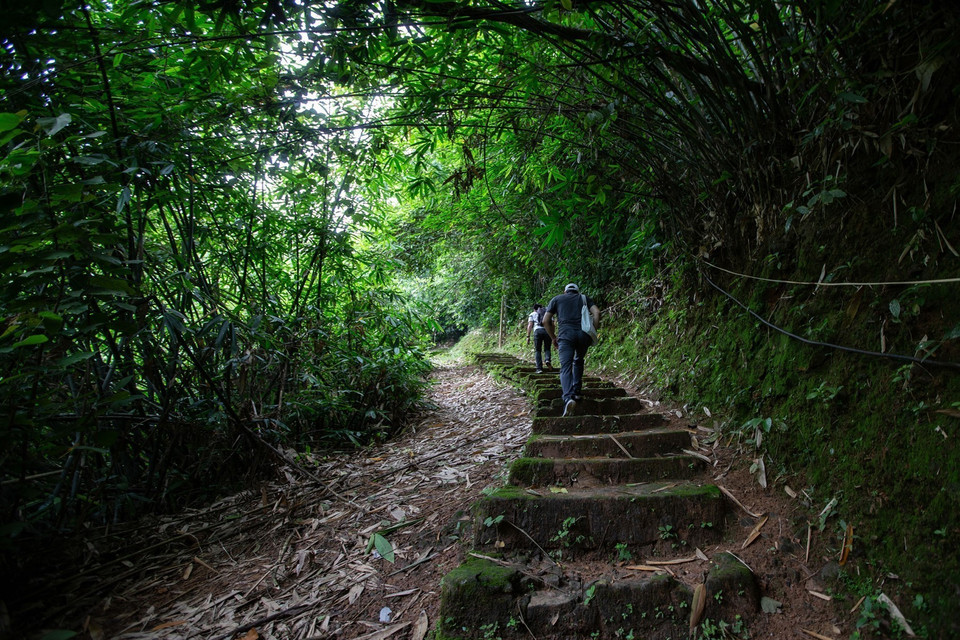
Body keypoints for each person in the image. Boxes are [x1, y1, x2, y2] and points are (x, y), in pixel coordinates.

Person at [543, 283, 600, 416]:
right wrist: (593, 331)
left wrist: (553, 337)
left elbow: (546, 321)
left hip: (565, 336)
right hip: (583, 335)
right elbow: (597, 312)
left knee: (566, 367)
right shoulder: (584, 298)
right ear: (577, 291)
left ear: (565, 291)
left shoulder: (557, 299)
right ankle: (577, 392)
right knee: (579, 360)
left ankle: (568, 397)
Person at [526, 303, 552, 373]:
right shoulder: (547, 313)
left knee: (538, 350)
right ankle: (547, 359)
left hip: (537, 331)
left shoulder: (532, 314)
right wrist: (553, 335)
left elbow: (530, 325)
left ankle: (539, 368)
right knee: (547, 348)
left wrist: (528, 336)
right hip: (547, 331)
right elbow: (553, 324)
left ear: (534, 309)